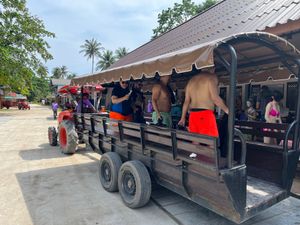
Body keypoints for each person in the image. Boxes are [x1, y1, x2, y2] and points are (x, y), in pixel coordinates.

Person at [178, 70, 229, 137]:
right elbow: (215, 98)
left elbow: (186, 101)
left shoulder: (191, 81)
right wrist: (227, 111)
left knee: (196, 142)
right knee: (211, 143)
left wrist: (182, 118)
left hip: (193, 115)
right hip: (206, 115)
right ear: (213, 68)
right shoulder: (211, 77)